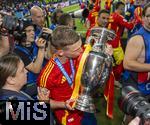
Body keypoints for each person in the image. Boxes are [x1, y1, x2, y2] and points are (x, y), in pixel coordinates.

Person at [37, 26, 97, 125]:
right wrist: (64, 104)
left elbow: (89, 54)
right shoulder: (47, 76)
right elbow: (43, 104)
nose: (81, 51)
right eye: (76, 49)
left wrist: (105, 52)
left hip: (83, 105)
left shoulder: (75, 55)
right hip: (68, 115)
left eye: (80, 46)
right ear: (61, 52)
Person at [122, 2, 150, 125]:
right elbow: (127, 64)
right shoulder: (138, 38)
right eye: (149, 15)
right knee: (135, 117)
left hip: (147, 84)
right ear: (143, 18)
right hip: (137, 85)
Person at [13, 20, 47, 97]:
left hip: (38, 83)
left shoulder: (34, 45)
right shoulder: (17, 52)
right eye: (28, 31)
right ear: (20, 34)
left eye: (33, 30)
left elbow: (49, 55)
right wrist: (41, 49)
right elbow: (36, 69)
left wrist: (52, 36)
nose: (33, 33)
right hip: (27, 89)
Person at [107, 1, 134, 81]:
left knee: (112, 62)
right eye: (122, 9)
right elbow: (129, 26)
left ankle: (112, 77)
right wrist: (134, 21)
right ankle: (117, 79)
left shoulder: (110, 15)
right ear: (120, 8)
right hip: (115, 44)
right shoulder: (119, 17)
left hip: (108, 42)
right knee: (119, 61)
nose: (123, 11)